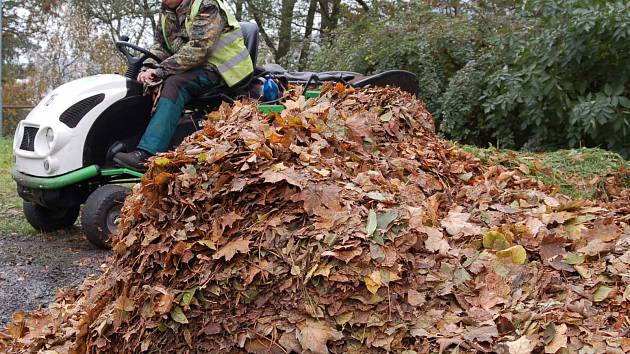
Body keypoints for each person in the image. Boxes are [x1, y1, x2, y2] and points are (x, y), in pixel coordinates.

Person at [114, 0, 254, 172]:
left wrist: (161, 70)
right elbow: (161, 47)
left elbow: (199, 48)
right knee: (141, 83)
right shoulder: (167, 12)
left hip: (223, 68)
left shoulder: (206, 5)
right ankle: (127, 140)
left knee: (175, 84)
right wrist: (149, 67)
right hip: (193, 66)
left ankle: (147, 153)